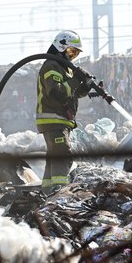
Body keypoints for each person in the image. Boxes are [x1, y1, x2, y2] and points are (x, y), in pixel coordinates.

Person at [36, 30, 93, 190]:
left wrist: (85, 86)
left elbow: (71, 94)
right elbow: (56, 93)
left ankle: (47, 191)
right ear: (61, 47)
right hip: (53, 119)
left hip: (59, 120)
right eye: (71, 51)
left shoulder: (64, 69)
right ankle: (59, 192)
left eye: (75, 53)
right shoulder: (51, 65)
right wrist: (75, 80)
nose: (73, 56)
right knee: (63, 155)